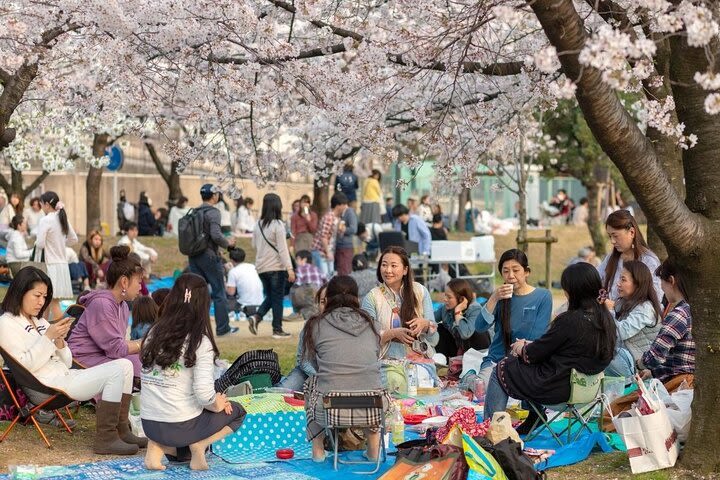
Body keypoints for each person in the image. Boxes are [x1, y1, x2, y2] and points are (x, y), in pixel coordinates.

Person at [0, 267, 143, 455]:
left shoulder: (39, 321)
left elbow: (67, 362)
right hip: (44, 387)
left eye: (45, 297)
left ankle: (121, 430)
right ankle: (106, 438)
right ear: (20, 292)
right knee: (116, 370)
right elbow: (25, 366)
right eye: (37, 295)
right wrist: (48, 338)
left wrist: (59, 342)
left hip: (65, 376)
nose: (41, 302)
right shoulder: (6, 323)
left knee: (125, 365)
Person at [483, 263, 617, 431]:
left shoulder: (570, 320)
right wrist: (531, 346)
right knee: (522, 368)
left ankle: (490, 430)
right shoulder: (605, 319)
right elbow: (562, 349)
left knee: (502, 368)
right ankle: (533, 418)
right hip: (587, 392)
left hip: (558, 390)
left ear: (574, 291)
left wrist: (520, 347)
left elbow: (534, 354)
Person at [141, 273, 247, 471]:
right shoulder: (199, 341)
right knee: (238, 410)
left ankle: (156, 448)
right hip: (180, 426)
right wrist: (218, 404)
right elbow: (205, 395)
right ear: (203, 305)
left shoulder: (153, 333)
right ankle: (200, 444)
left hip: (149, 424)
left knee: (184, 451)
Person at [303, 276, 385, 462]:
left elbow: (314, 365)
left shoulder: (316, 324)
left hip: (330, 407)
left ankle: (318, 449)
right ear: (357, 298)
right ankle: (374, 449)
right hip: (372, 406)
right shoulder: (373, 324)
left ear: (328, 297)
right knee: (373, 382)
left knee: (310, 383)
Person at [473, 249, 553, 385]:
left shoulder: (543, 296)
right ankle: (470, 378)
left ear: (526, 272)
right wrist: (493, 298)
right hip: (496, 362)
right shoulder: (499, 297)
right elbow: (480, 327)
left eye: (516, 270)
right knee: (481, 388)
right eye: (505, 271)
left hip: (526, 362)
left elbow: (538, 334)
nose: (510, 276)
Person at [68, 246, 145, 379]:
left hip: (102, 356)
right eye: (138, 282)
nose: (140, 287)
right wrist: (144, 343)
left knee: (142, 360)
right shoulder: (102, 304)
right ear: (124, 282)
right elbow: (116, 349)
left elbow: (118, 346)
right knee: (133, 364)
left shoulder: (123, 306)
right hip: (81, 361)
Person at [361, 246, 438, 361]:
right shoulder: (372, 297)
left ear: (405, 270)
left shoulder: (420, 291)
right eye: (384, 265)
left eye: (393, 266)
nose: (388, 270)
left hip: (420, 358)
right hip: (386, 362)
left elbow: (434, 337)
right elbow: (368, 337)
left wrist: (426, 324)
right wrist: (393, 334)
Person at [186, 184, 238, 337]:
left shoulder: (194, 212)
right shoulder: (213, 212)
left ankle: (197, 330)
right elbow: (215, 235)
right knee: (219, 292)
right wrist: (228, 242)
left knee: (198, 294)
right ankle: (223, 328)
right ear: (214, 196)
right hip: (209, 257)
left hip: (194, 256)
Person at [603, 260, 662, 379]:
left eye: (623, 280)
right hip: (627, 360)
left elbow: (619, 333)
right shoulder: (625, 302)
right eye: (619, 279)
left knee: (600, 354)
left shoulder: (646, 308)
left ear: (638, 283)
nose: (618, 284)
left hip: (640, 368)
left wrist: (610, 310)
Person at [249, 193, 296, 338]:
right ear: (278, 206)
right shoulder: (278, 225)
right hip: (276, 267)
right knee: (277, 299)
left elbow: (253, 245)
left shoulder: (257, 225)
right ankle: (277, 329)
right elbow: (283, 250)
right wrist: (290, 269)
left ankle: (257, 317)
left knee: (271, 296)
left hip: (261, 268)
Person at [597, 210, 662, 303]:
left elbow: (656, 298)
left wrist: (615, 306)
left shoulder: (648, 261)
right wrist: (602, 300)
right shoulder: (611, 258)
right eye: (610, 236)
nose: (612, 241)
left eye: (615, 236)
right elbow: (596, 280)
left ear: (631, 232)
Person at [35, 191, 78, 321]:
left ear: (47, 204)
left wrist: (48, 243)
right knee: (47, 303)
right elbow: (74, 239)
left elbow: (40, 244)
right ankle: (43, 332)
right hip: (62, 266)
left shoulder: (45, 220)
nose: (41, 207)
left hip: (51, 266)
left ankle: (62, 336)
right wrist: (60, 243)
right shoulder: (62, 217)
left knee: (53, 304)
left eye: (42, 204)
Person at [278, 284, 326, 391]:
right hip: (308, 372)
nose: (327, 305)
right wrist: (318, 377)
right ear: (317, 304)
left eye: (331, 301)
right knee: (282, 392)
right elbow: (303, 360)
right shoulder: (311, 325)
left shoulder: (344, 326)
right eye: (322, 302)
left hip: (336, 376)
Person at [434, 279, 491, 359]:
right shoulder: (445, 309)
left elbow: (465, 334)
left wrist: (458, 312)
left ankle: (475, 362)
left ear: (461, 299)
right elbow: (430, 318)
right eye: (445, 295)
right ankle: (443, 361)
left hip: (478, 350)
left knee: (476, 330)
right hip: (459, 346)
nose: (445, 299)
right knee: (439, 328)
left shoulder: (475, 309)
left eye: (449, 297)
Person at [311, 192, 346, 277]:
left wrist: (341, 231)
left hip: (328, 252)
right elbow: (324, 237)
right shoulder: (329, 218)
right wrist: (328, 252)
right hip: (321, 252)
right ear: (338, 205)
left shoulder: (337, 218)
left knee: (330, 278)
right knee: (324, 279)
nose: (346, 207)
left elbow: (332, 237)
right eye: (344, 204)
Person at [225, 248, 264, 318]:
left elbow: (231, 292)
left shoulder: (233, 272)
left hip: (246, 307)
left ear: (231, 260)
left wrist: (224, 280)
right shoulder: (252, 266)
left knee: (224, 300)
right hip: (261, 305)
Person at [291, 250, 327, 320]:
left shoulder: (299, 270)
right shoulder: (317, 269)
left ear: (304, 259)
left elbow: (296, 285)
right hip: (318, 297)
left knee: (292, 289)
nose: (296, 261)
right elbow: (326, 281)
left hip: (306, 296)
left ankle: (297, 313)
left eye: (297, 259)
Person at [335, 197, 358, 276]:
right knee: (340, 269)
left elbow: (354, 229)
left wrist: (344, 229)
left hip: (346, 246)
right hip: (339, 245)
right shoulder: (341, 213)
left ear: (342, 205)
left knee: (345, 270)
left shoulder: (350, 212)